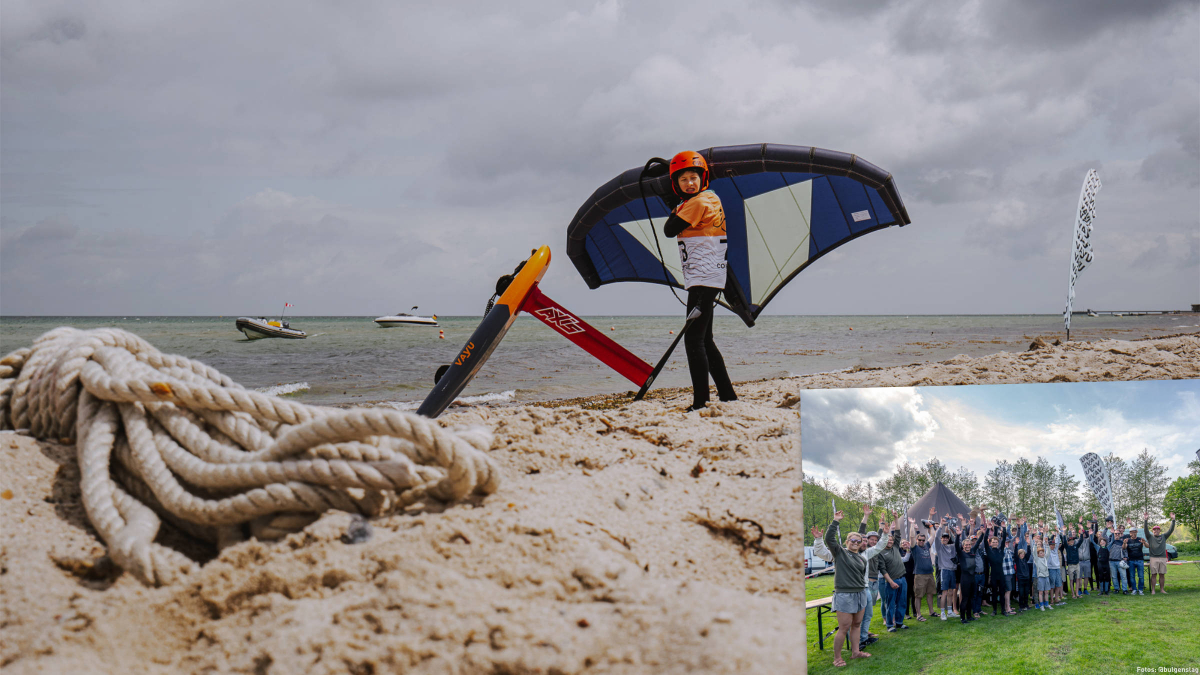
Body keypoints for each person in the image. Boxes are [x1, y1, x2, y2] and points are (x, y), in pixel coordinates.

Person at [662, 151, 737, 411]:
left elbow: (669, 229)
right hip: (706, 275)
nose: (689, 184)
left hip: (704, 276)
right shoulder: (702, 199)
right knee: (705, 339)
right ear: (676, 183)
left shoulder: (699, 201)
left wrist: (675, 206)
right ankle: (727, 395)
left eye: (693, 178)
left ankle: (701, 402)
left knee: (693, 339)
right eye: (682, 180)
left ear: (702, 178)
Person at [824, 511, 889, 668]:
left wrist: (885, 534)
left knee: (857, 624)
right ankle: (837, 658)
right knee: (844, 627)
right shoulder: (840, 553)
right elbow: (829, 539)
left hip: (860, 593)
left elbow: (863, 573)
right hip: (845, 594)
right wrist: (835, 522)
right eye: (852, 540)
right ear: (847, 541)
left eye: (858, 541)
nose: (855, 542)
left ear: (861, 543)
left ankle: (856, 652)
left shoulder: (862, 557)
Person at [909, 516, 938, 622]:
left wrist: (931, 526)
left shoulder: (926, 546)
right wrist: (912, 524)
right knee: (918, 595)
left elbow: (933, 536)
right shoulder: (914, 548)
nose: (921, 541)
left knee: (930, 593)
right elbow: (912, 537)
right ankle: (919, 615)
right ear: (917, 540)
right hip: (919, 575)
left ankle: (931, 611)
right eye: (919, 540)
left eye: (923, 540)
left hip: (930, 573)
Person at [933, 515, 959, 620]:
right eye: (943, 538)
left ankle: (950, 611)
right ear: (941, 539)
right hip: (944, 571)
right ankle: (943, 613)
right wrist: (941, 526)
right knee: (944, 592)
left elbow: (958, 541)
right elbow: (936, 538)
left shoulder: (952, 547)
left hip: (952, 571)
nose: (945, 539)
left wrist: (955, 532)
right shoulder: (939, 547)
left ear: (948, 539)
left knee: (951, 592)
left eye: (946, 538)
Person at [1144, 512, 1176, 594]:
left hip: (1162, 558)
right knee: (1154, 574)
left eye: (1158, 529)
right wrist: (1145, 520)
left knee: (1162, 574)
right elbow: (1145, 530)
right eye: (1155, 530)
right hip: (1153, 558)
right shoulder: (1150, 537)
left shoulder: (1164, 536)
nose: (1156, 531)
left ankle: (1162, 589)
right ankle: (1153, 590)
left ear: (1159, 531)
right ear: (1153, 531)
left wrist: (1173, 520)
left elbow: (1171, 530)